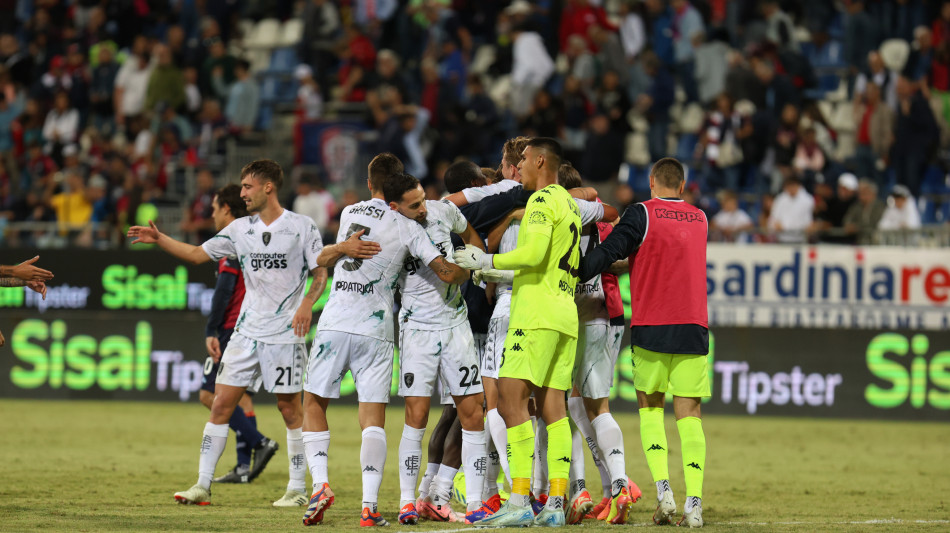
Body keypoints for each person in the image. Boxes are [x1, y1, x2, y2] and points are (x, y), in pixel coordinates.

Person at [128, 159, 329, 508]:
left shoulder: (302, 226)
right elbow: (194, 254)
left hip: (284, 336)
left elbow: (320, 272)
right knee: (220, 404)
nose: (242, 193)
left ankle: (297, 489)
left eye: (248, 186)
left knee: (289, 410)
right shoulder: (239, 230)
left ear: (268, 187)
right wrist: (159, 238)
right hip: (245, 334)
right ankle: (202, 485)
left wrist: (308, 303)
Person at [301, 155, 470, 527]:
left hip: (333, 323)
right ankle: (369, 506)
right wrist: (471, 267)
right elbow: (443, 270)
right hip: (377, 331)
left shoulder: (349, 213)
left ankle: (320, 485)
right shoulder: (409, 228)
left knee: (313, 402)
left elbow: (323, 257)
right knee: (373, 418)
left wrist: (344, 248)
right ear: (397, 192)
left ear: (369, 181)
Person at [454, 137, 583, 527]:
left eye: (524, 159)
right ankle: (556, 504)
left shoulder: (542, 202)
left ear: (541, 161)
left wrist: (486, 259)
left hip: (537, 314)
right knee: (553, 409)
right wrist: (491, 268)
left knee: (509, 401)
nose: (519, 166)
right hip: (565, 314)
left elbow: (534, 255)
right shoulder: (570, 205)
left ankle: (519, 500)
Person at [577, 157, 709, 528]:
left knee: (651, 411)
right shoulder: (700, 219)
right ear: (682, 187)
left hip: (652, 325)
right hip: (694, 327)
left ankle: (664, 494)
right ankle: (694, 505)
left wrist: (578, 267)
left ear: (651, 182)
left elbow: (610, 251)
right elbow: (659, 256)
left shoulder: (641, 213)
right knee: (690, 415)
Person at [384, 172, 491, 525]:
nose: (422, 209)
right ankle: (407, 502)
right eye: (413, 206)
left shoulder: (443, 211)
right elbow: (447, 273)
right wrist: (465, 269)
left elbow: (471, 236)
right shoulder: (395, 230)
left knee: (472, 413)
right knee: (416, 417)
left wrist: (474, 257)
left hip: (456, 325)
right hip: (416, 329)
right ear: (394, 206)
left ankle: (475, 503)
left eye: (422, 199)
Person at [556, 164, 637, 525]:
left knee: (588, 405)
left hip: (589, 317)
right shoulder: (599, 222)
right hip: (597, 316)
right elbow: (619, 259)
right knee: (575, 404)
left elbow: (618, 255)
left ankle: (615, 484)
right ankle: (603, 488)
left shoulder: (565, 219)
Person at [198, 184, 278, 485]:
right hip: (251, 326)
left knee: (210, 395)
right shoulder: (253, 237)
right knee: (242, 399)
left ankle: (259, 442)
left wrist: (212, 328)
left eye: (215, 208)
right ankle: (244, 466)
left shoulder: (231, 241)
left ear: (227, 209)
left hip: (233, 328)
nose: (212, 213)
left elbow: (224, 289)